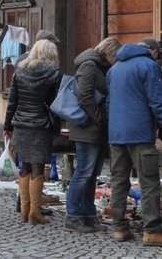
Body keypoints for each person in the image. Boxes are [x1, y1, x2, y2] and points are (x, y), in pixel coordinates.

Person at [106, 37, 162, 245]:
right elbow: (158, 103)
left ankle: (120, 228)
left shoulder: (114, 69)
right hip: (140, 133)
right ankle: (152, 230)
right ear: (153, 52)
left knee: (119, 181)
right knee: (149, 183)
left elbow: (109, 104)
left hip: (117, 134)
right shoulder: (149, 66)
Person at [64, 37, 121, 233]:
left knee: (91, 175)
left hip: (95, 128)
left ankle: (87, 215)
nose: (116, 60)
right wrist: (100, 119)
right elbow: (85, 96)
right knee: (83, 173)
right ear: (107, 53)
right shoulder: (89, 66)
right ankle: (72, 215)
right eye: (115, 56)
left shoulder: (98, 67)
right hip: (87, 128)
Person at [3, 39, 61, 226]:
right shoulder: (53, 73)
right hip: (41, 125)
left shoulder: (20, 70)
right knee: (38, 167)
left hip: (21, 124)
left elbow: (12, 101)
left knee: (25, 166)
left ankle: (25, 210)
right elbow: (55, 103)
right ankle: (34, 212)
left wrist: (7, 127)